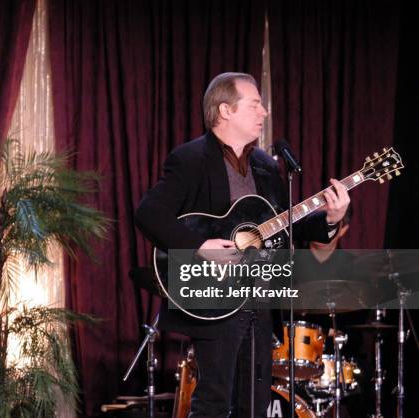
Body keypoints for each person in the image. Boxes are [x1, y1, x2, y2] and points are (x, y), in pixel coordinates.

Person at [135, 72, 350, 417]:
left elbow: (283, 225)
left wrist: (329, 218)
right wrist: (200, 246)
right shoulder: (191, 159)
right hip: (214, 297)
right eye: (255, 105)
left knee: (255, 405)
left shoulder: (265, 165)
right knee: (213, 403)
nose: (264, 112)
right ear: (225, 110)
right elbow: (149, 213)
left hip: (260, 300)